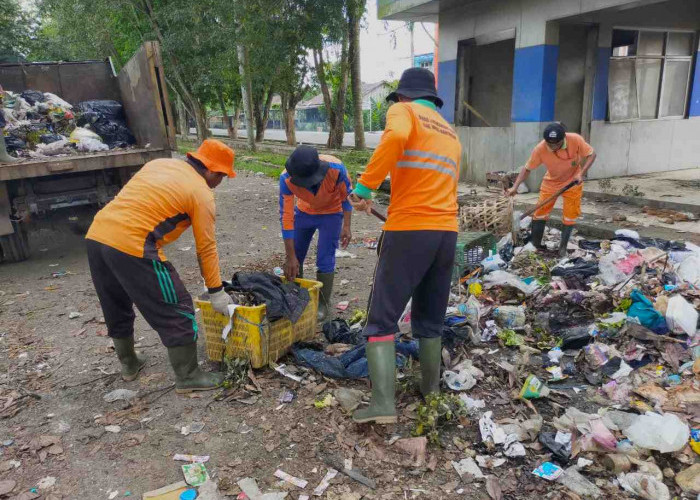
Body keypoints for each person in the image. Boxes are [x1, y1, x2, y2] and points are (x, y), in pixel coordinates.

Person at [349, 67, 461, 424]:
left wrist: (365, 187)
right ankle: (431, 393)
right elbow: (425, 178)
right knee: (430, 317)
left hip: (410, 228)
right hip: (446, 232)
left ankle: (383, 404)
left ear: (404, 96)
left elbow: (395, 137)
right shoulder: (449, 132)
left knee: (382, 317)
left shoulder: (405, 112)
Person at [85, 139, 235, 393]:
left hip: (97, 235)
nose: (220, 182)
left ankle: (129, 364)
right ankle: (188, 377)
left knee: (115, 303)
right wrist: (216, 291)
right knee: (178, 308)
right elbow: (206, 248)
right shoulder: (201, 194)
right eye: (222, 176)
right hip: (132, 244)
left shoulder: (159, 164)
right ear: (211, 170)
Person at [279, 145, 352, 321]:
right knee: (296, 255)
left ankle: (322, 304)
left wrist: (346, 226)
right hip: (304, 213)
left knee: (325, 258)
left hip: (332, 214)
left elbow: (346, 198)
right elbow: (286, 217)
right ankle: (297, 299)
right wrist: (290, 256)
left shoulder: (337, 169)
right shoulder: (286, 179)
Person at [506, 122, 596, 256]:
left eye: (556, 144)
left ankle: (562, 248)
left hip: (573, 182)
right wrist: (515, 186)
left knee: (570, 216)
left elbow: (592, 154)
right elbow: (527, 168)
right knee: (540, 213)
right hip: (551, 182)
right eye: (550, 144)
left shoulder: (575, 139)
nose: (553, 147)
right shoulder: (540, 149)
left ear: (563, 139)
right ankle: (535, 245)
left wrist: (580, 173)